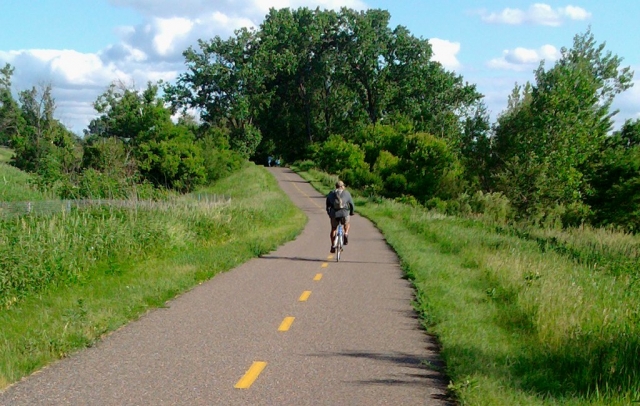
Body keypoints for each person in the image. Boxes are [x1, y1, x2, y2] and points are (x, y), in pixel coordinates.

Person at [326, 180, 354, 253]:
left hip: (334, 214)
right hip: (344, 213)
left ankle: (333, 246)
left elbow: (328, 204)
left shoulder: (331, 193)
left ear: (336, 186)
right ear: (342, 186)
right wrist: (351, 212)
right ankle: (346, 233)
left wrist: (329, 212)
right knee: (347, 224)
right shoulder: (347, 193)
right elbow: (351, 204)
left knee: (333, 229)